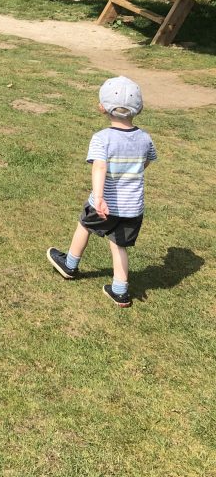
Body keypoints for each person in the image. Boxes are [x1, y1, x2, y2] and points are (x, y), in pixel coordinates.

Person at [47, 76, 157, 307]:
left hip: (105, 203)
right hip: (133, 207)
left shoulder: (102, 138)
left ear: (101, 107)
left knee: (84, 225)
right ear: (140, 109)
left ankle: (70, 264)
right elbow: (146, 162)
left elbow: (99, 166)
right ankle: (120, 290)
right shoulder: (145, 138)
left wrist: (98, 197)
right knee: (119, 245)